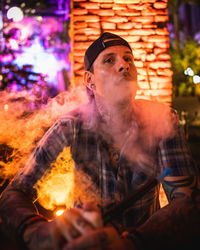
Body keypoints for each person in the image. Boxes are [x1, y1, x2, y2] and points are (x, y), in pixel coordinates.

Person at [0, 32, 200, 250]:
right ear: (89, 80)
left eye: (128, 59)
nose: (124, 65)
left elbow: (188, 203)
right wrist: (35, 231)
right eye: (109, 60)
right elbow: (13, 193)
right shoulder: (71, 124)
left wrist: (131, 243)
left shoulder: (162, 119)